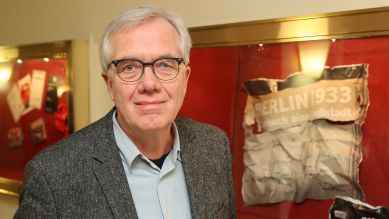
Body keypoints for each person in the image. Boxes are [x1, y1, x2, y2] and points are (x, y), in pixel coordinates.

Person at [14, 6, 236, 219]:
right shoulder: (52, 175)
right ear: (109, 84)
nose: (149, 84)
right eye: (129, 67)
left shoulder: (214, 147)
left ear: (185, 79)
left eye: (165, 65)